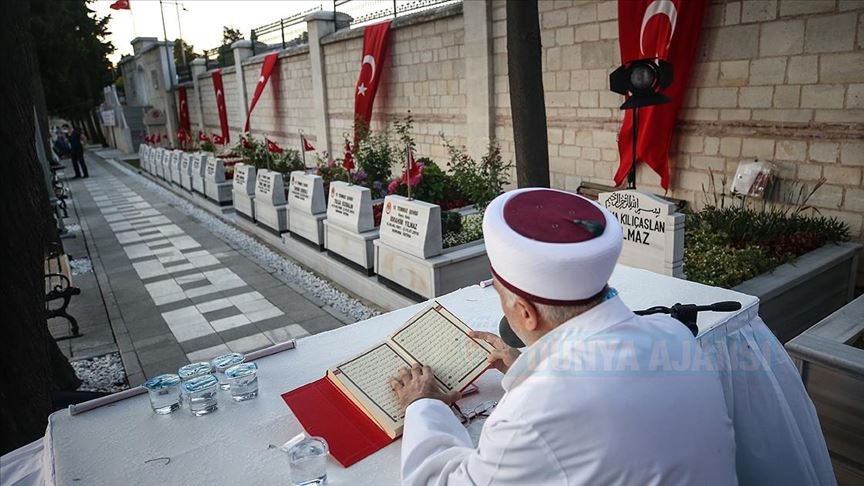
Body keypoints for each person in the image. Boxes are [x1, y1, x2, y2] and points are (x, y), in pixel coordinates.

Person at [389, 188, 738, 485]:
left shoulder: (533, 412)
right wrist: (526, 365)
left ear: (525, 312)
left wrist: (423, 404)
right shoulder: (675, 334)